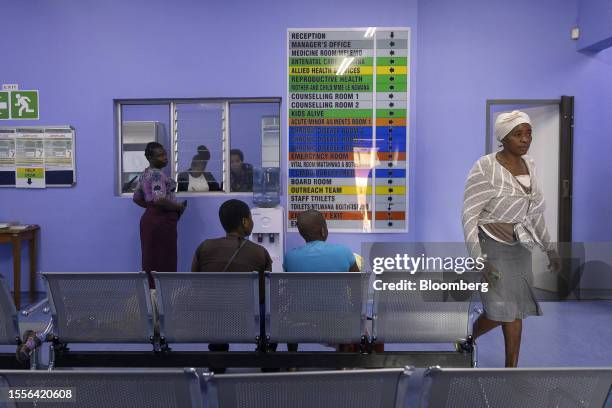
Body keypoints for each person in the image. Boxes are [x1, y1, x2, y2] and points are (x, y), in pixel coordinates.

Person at [460, 110, 561, 367]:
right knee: (499, 310)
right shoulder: (486, 167)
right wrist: (478, 259)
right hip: (491, 246)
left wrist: (550, 249)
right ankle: (467, 336)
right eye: (518, 134)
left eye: (528, 133)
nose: (525, 139)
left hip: (520, 248)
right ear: (503, 138)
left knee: (515, 310)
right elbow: (469, 215)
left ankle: (511, 369)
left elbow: (534, 213)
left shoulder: (531, 166)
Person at [191, 199, 272, 353]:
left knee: (217, 307)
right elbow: (263, 295)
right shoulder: (260, 252)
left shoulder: (204, 247)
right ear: (245, 221)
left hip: (210, 318)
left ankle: (218, 351)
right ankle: (265, 351)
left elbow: (196, 286)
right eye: (251, 218)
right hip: (247, 318)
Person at [284, 209, 360, 354]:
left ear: (301, 234)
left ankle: (291, 362)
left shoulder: (290, 257)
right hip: (338, 318)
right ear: (323, 231)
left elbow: (289, 290)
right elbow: (357, 286)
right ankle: (342, 359)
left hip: (299, 317)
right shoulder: (343, 252)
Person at [133, 142, 187, 287]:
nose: (165, 158)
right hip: (161, 223)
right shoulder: (157, 174)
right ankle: (163, 300)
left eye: (165, 154)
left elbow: (137, 198)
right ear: (150, 158)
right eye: (160, 155)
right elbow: (159, 198)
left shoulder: (145, 174)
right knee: (164, 260)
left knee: (150, 260)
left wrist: (150, 208)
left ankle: (151, 298)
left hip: (149, 221)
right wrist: (178, 207)